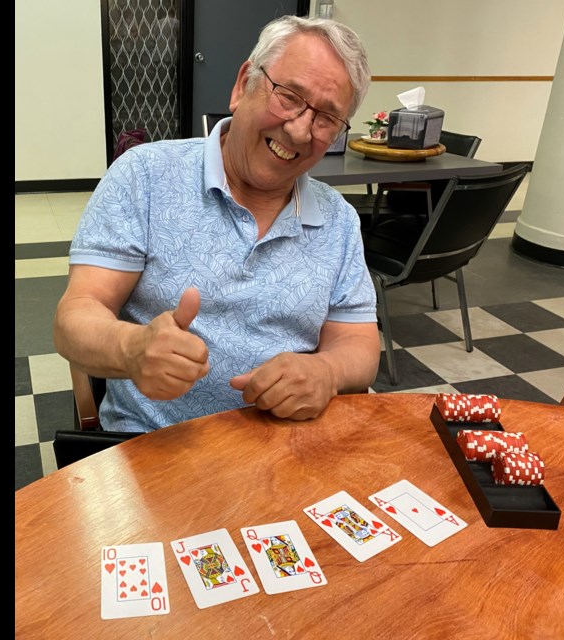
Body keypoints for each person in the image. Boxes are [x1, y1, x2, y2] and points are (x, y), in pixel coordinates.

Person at [54, 15, 378, 433]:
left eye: (326, 118)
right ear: (243, 85)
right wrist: (131, 348)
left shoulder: (338, 219)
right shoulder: (146, 176)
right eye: (289, 96)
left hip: (288, 449)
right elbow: (75, 316)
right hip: (156, 447)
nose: (300, 131)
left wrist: (328, 371)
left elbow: (359, 343)